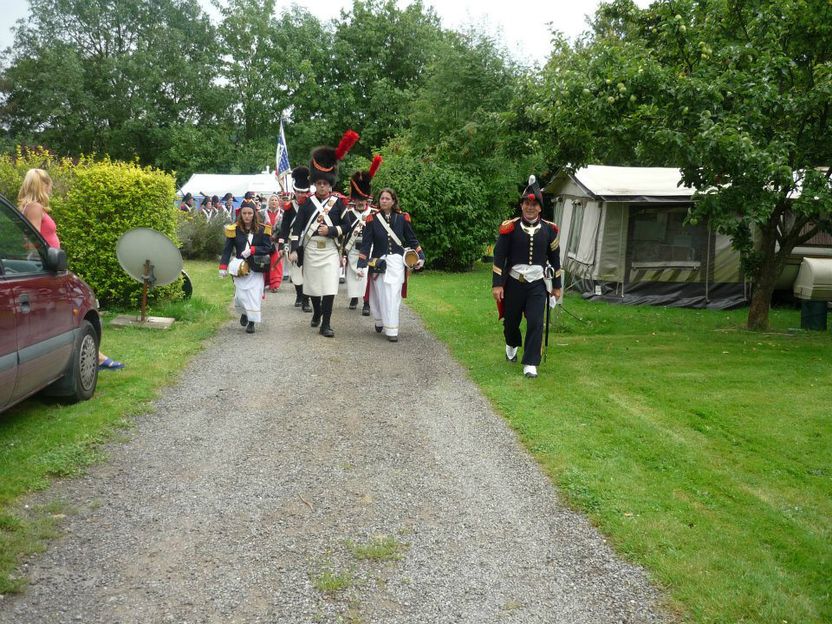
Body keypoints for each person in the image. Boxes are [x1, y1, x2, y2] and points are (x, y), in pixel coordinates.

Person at [17, 168, 125, 370]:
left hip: (51, 267)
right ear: (43, 185)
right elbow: (30, 242)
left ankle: (93, 355)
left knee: (68, 311)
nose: (51, 190)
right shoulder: (34, 207)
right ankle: (92, 357)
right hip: (48, 269)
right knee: (75, 306)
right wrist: (49, 256)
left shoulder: (34, 207)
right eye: (49, 186)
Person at [289, 130, 359, 337]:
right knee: (312, 289)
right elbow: (297, 228)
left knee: (329, 288)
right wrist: (294, 249)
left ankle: (326, 324)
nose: (322, 186)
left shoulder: (338, 203)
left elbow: (347, 227)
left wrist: (331, 230)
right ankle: (317, 312)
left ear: (330, 184)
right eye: (319, 183)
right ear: (315, 183)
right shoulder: (306, 203)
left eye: (325, 183)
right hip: (310, 249)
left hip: (329, 250)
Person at [491, 175, 562, 378]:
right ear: (522, 206)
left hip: (537, 285)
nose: (530, 207)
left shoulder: (550, 230)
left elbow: (555, 260)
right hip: (514, 283)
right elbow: (499, 256)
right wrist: (497, 285)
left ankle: (530, 362)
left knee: (535, 322)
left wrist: (556, 287)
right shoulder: (510, 228)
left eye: (534, 204)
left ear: (540, 207)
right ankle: (511, 344)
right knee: (511, 322)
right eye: (527, 203)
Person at [356, 187, 424, 342]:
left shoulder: (402, 218)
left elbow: (412, 239)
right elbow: (366, 244)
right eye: (382, 198)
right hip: (379, 262)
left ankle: (392, 328)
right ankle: (379, 320)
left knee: (393, 294)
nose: (384, 201)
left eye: (387, 198)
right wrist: (361, 264)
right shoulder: (372, 219)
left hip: (396, 263)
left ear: (393, 201)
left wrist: (421, 256)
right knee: (379, 295)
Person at [218, 203, 274, 334]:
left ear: (254, 214)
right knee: (240, 295)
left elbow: (268, 248)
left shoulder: (262, 229)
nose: (247, 216)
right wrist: (223, 266)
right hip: (240, 268)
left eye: (250, 213)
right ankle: (244, 312)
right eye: (244, 213)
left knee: (254, 295)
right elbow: (227, 250)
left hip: (256, 268)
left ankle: (252, 322)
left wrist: (253, 250)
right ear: (240, 214)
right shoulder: (234, 229)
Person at [343, 156, 381, 310]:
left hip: (369, 249)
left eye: (362, 199)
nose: (360, 202)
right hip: (352, 249)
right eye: (357, 198)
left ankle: (366, 303)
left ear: (367, 199)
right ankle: (354, 298)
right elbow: (344, 233)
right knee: (352, 276)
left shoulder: (374, 213)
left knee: (367, 276)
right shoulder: (348, 213)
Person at [280, 166, 312, 311]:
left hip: (310, 240)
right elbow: (285, 226)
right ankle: (300, 295)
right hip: (293, 241)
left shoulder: (313, 205)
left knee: (309, 271)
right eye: (298, 192)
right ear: (294, 191)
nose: (300, 194)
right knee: (296, 271)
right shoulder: (289, 207)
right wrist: (282, 244)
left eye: (303, 192)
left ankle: (306, 298)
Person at [264, 193, 285, 293]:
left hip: (276, 242)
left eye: (276, 200)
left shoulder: (283, 214)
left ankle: (275, 284)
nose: (274, 202)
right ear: (269, 202)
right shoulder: (261, 213)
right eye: (272, 200)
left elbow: (285, 229)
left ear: (278, 202)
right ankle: (265, 282)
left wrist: (276, 236)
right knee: (264, 261)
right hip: (264, 241)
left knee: (276, 262)